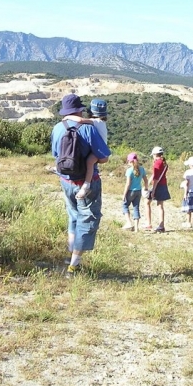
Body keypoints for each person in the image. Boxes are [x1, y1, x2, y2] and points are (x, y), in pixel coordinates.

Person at [51, 94, 111, 277]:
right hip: (87, 183)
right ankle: (74, 267)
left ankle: (70, 257)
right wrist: (91, 161)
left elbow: (55, 154)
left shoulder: (57, 128)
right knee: (88, 220)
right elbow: (104, 157)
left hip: (65, 180)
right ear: (80, 110)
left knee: (73, 216)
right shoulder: (87, 129)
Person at [64, 98, 108, 199]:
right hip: (100, 148)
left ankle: (86, 185)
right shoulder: (101, 122)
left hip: (99, 150)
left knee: (89, 161)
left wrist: (68, 117)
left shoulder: (96, 121)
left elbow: (80, 120)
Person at [121, 152, 149, 231]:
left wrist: (124, 194)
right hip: (138, 191)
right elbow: (146, 181)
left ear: (130, 161)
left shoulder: (129, 171)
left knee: (125, 205)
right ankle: (136, 229)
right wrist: (146, 188)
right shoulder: (142, 169)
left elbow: (128, 184)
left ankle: (129, 222)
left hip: (130, 191)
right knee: (136, 208)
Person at [145, 146, 170, 233]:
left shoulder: (157, 163)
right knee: (160, 205)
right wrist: (147, 183)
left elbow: (155, 177)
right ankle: (161, 226)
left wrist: (153, 189)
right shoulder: (164, 163)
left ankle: (149, 224)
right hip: (163, 185)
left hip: (157, 185)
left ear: (155, 154)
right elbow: (157, 175)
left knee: (147, 203)